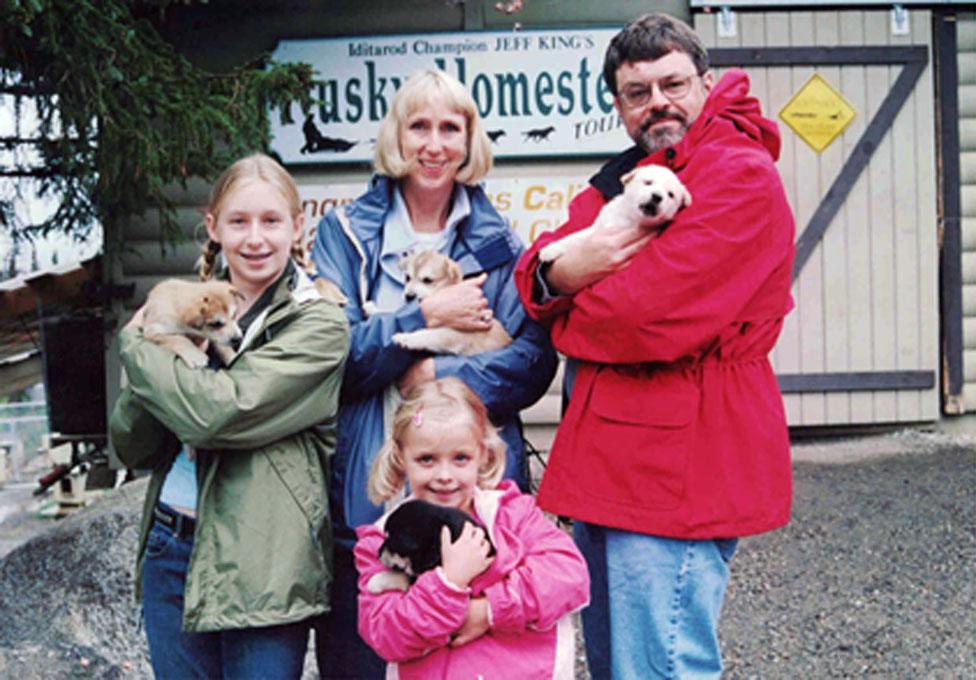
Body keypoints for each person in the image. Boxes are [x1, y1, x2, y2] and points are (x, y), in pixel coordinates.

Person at [514, 13, 796, 680]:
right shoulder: (636, 172)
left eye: (672, 84)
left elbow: (647, 317)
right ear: (619, 105)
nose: (657, 102)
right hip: (612, 454)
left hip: (681, 459)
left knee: (662, 665)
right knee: (619, 665)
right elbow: (533, 270)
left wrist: (563, 304)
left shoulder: (740, 176)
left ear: (704, 84)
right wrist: (557, 276)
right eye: (636, 92)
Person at [310, 68, 558, 677]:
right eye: (418, 126)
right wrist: (425, 315)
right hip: (366, 495)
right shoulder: (342, 236)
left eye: (451, 127)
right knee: (365, 657)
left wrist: (433, 373)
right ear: (396, 135)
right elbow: (327, 360)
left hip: (467, 500)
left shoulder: (501, 246)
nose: (434, 144)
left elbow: (530, 363)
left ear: (470, 140)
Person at [109, 153, 349, 679]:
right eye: (239, 222)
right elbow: (134, 447)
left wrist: (139, 344)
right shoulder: (192, 307)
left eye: (271, 220)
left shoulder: (319, 324)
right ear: (213, 227)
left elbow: (216, 416)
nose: (256, 238)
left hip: (263, 558)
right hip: (172, 543)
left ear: (297, 224)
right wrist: (160, 360)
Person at [355, 377, 589, 679]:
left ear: (482, 454)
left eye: (460, 458)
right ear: (402, 458)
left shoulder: (510, 515)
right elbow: (387, 634)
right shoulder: (383, 539)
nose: (444, 475)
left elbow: (569, 576)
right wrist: (449, 583)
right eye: (426, 459)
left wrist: (488, 610)